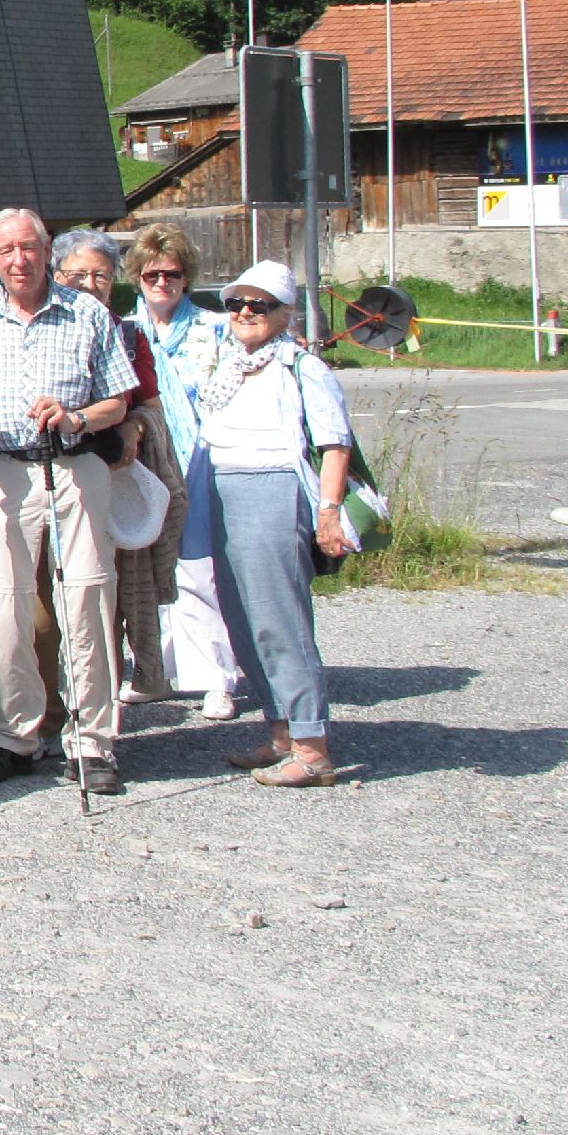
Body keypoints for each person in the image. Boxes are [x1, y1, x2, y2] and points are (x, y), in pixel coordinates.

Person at [0, 208, 138, 794]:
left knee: (86, 601)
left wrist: (76, 416)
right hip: (0, 470)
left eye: (28, 247)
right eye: (6, 250)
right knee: (2, 607)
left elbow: (118, 401)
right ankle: (14, 735)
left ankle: (92, 742)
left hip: (73, 468)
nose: (19, 260)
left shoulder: (88, 313)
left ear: (46, 250)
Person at [191, 263, 356, 787]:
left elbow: (335, 444)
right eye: (236, 302)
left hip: (273, 490)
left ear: (285, 313)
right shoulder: (228, 363)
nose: (245, 312)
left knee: (279, 620)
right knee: (241, 618)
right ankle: (280, 730)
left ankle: (312, 747)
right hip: (222, 488)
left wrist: (328, 512)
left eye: (259, 305)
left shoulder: (302, 367)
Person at [53, 230, 186, 710]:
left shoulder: (128, 336)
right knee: (71, 598)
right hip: (58, 478)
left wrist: (135, 425)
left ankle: (107, 702)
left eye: (101, 276)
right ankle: (66, 702)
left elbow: (151, 404)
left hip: (116, 476)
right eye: (79, 275)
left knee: (119, 589)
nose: (90, 285)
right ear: (57, 276)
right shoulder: (43, 331)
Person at [131, 221, 242, 721]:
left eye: (171, 274)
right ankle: (158, 670)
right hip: (145, 460)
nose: (162, 283)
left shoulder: (216, 329)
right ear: (137, 277)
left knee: (199, 571)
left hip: (199, 459)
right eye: (152, 274)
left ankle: (216, 677)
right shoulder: (123, 328)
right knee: (148, 571)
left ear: (186, 277)